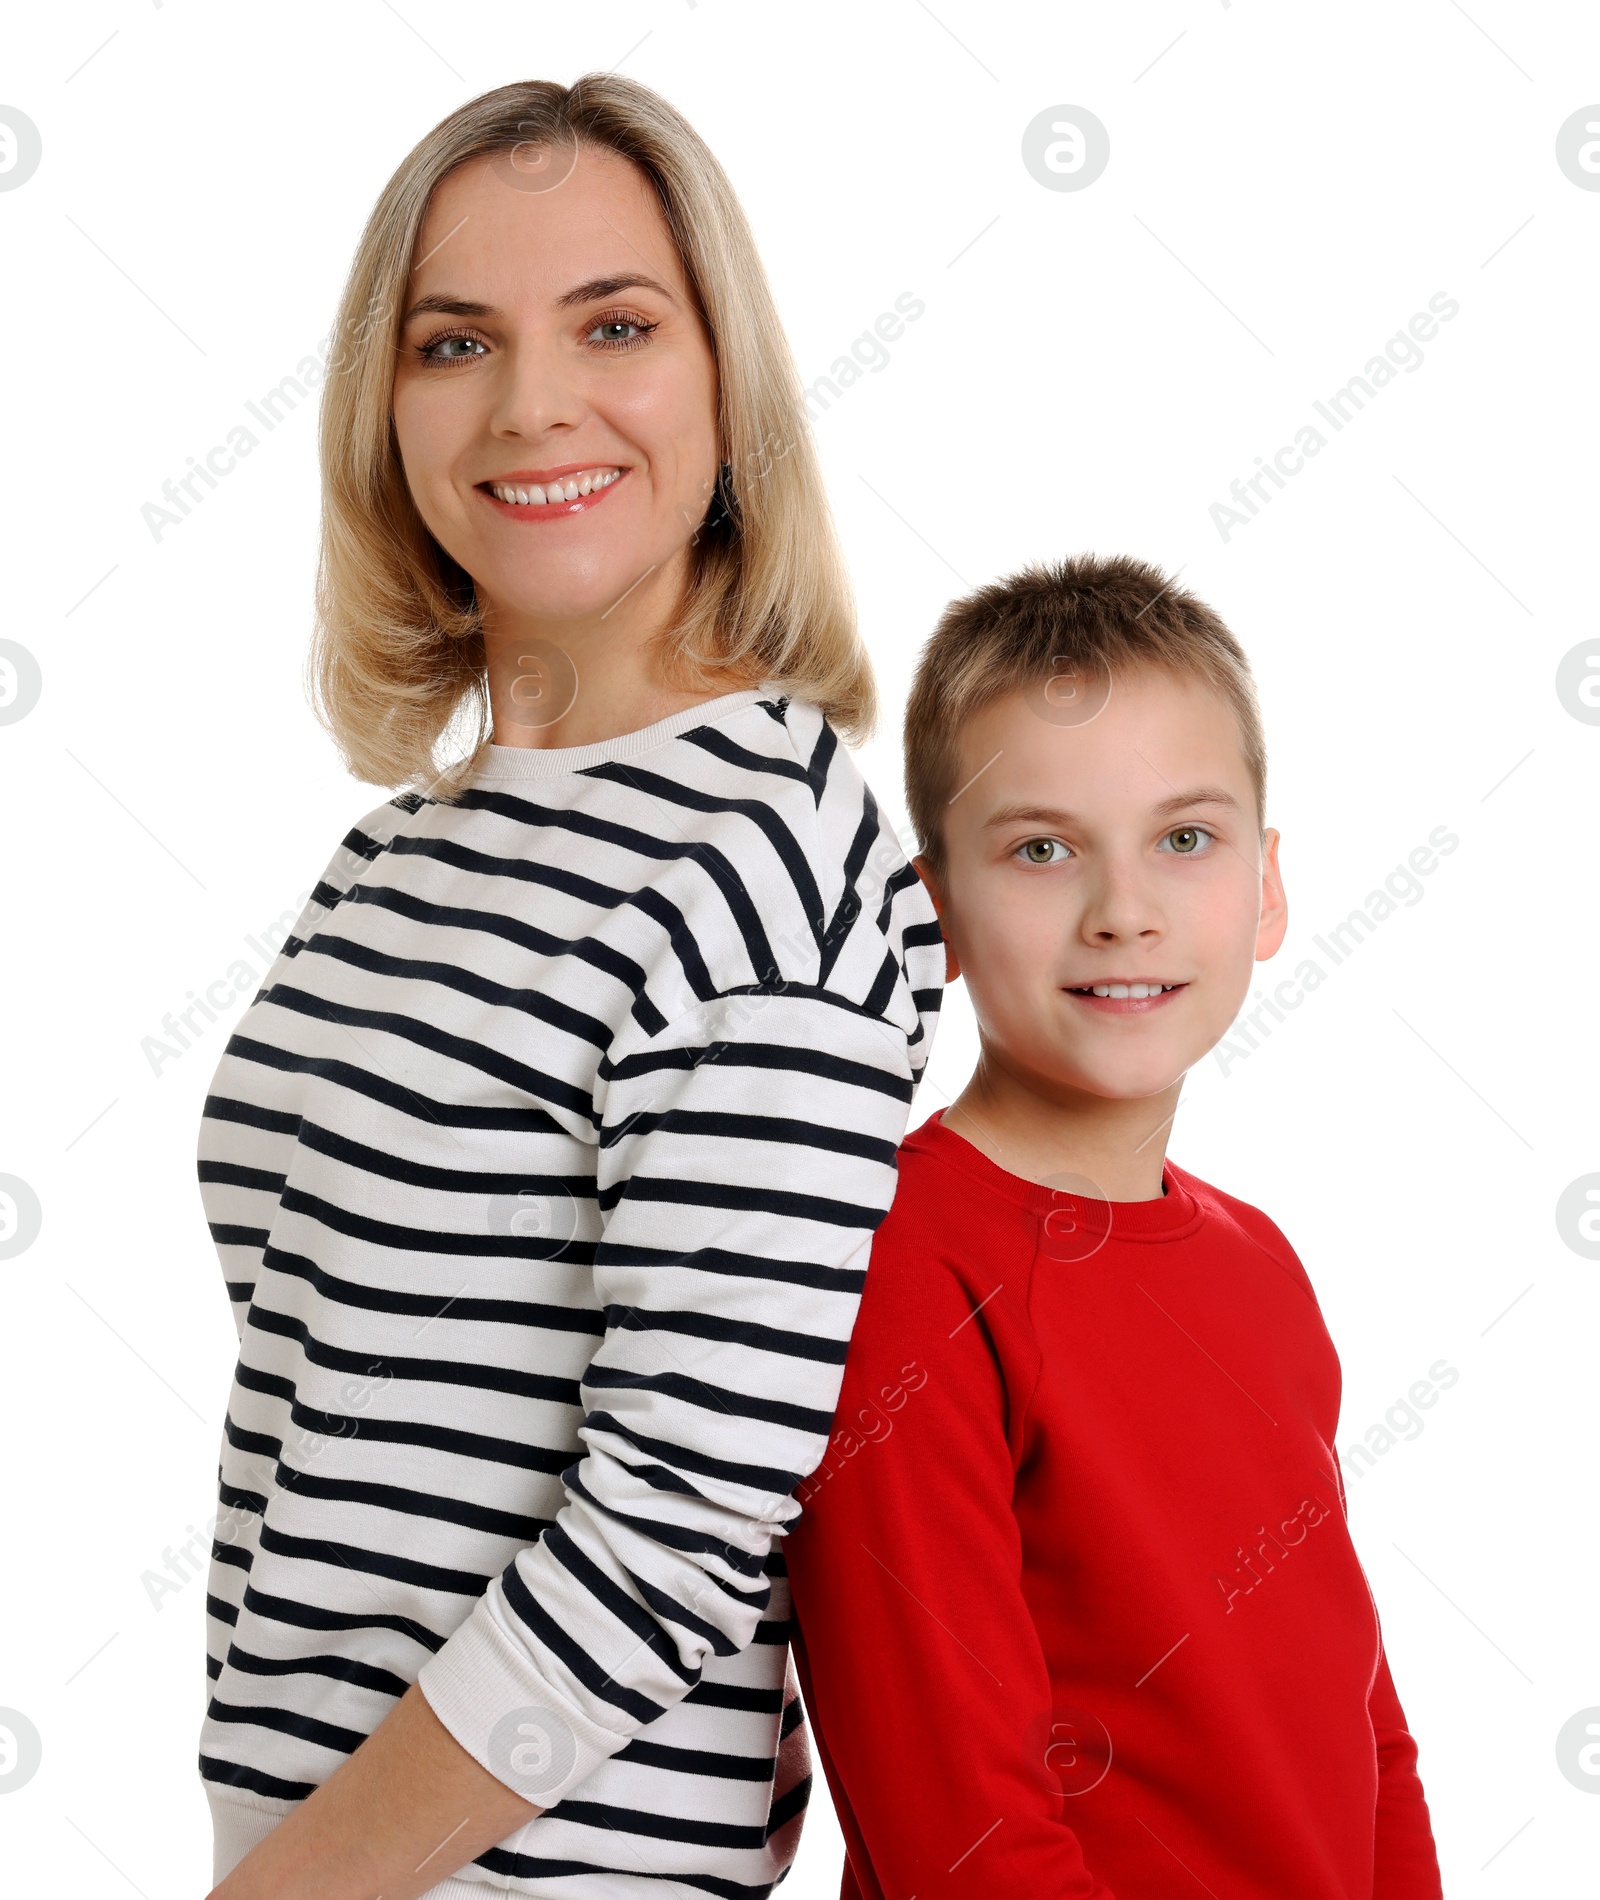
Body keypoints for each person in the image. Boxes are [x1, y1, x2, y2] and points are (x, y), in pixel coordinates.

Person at [197, 75, 942, 1900]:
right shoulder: (396, 859)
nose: (533, 405)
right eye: (457, 342)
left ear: (723, 388)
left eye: (615, 324)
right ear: (386, 407)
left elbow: (679, 1528)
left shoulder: (761, 855)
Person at [784, 554, 1444, 1898]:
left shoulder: (1260, 1267)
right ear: (937, 913)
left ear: (1265, 888)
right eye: (1041, 849)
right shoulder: (902, 1263)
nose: (1123, 910)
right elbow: (957, 1821)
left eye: (1184, 839)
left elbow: (1359, 1722)